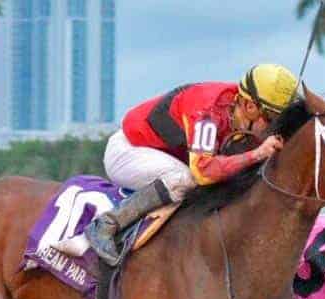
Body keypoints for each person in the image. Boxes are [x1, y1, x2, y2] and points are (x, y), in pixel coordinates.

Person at [85, 64, 301, 265]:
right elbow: (203, 172)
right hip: (129, 152)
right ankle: (105, 226)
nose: (274, 129)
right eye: (273, 119)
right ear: (250, 106)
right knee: (186, 180)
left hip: (166, 158)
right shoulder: (208, 112)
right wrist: (256, 154)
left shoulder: (241, 114)